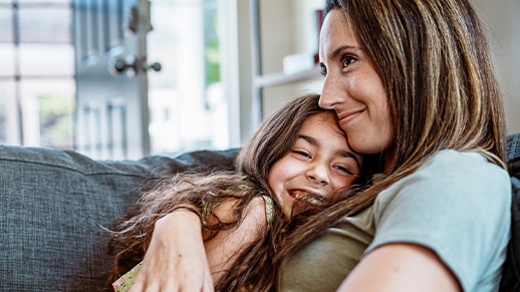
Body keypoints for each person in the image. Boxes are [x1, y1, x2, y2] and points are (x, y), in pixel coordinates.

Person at [126, 0, 512, 291]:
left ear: (417, 60)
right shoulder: (374, 178)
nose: (326, 97)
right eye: (326, 70)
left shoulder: (455, 177)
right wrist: (178, 220)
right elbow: (254, 171)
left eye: (348, 60)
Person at [104, 94, 371, 291]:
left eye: (342, 168)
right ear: (270, 151)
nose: (320, 174)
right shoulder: (252, 209)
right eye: (302, 153)